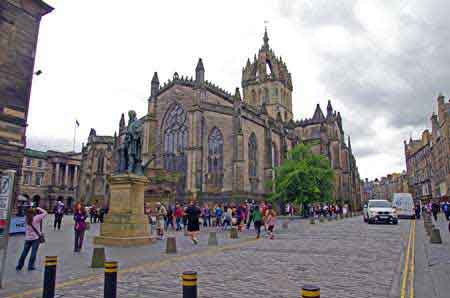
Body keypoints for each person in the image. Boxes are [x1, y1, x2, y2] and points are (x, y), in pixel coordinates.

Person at [16, 207, 47, 271]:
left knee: (24, 252)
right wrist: (38, 208)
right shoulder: (37, 218)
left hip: (27, 238)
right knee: (33, 253)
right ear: (34, 212)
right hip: (35, 238)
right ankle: (30, 266)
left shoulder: (26, 219)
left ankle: (19, 266)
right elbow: (45, 212)